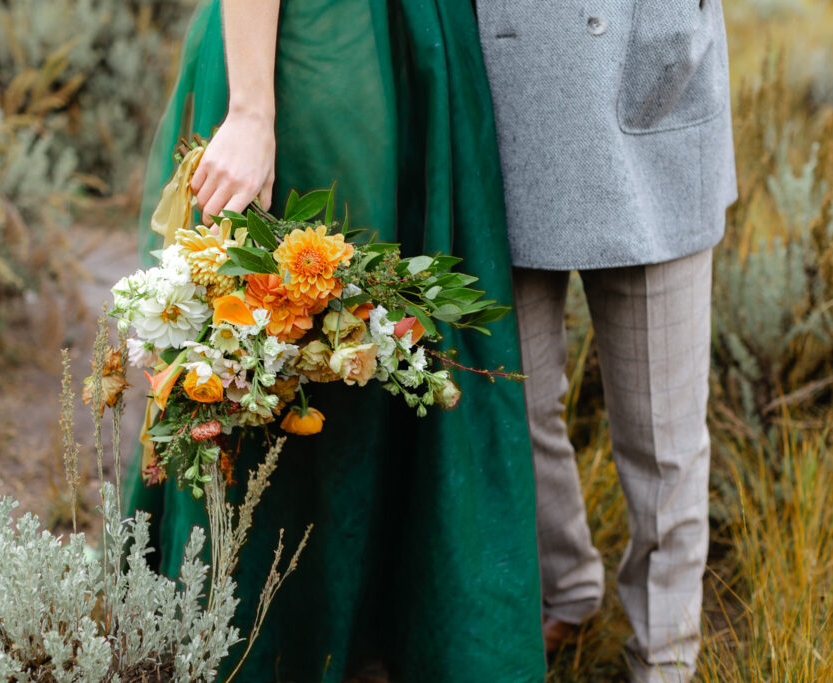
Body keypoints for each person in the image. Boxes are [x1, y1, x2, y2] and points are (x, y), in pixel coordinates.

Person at [125, 1, 547, 681]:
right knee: (297, 332)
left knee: (380, 341)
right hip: (318, 51)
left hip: (421, 49)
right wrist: (255, 112)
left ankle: (371, 639)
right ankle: (274, 646)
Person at [475, 2, 737, 681]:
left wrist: (670, 39)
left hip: (654, 111)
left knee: (662, 439)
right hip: (501, 108)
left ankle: (663, 658)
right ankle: (566, 585)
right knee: (514, 409)